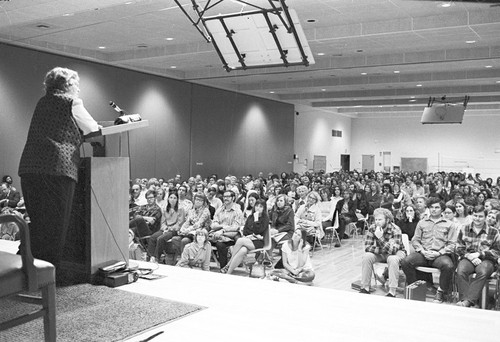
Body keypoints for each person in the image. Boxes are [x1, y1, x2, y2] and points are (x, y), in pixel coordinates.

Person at [17, 67, 100, 276]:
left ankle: (25, 270)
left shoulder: (42, 101)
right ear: (68, 85)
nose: (78, 89)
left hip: (29, 168)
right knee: (56, 225)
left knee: (37, 222)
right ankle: (48, 277)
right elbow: (92, 128)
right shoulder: (72, 102)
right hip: (57, 169)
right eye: (76, 84)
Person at [401, 198, 458, 303]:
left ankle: (441, 292)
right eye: (431, 207)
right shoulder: (422, 223)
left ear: (442, 210)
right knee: (405, 261)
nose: (434, 210)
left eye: (437, 207)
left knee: (448, 266)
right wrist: (422, 251)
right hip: (423, 253)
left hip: (440, 255)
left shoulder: (450, 224)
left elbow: (452, 244)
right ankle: (417, 286)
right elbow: (415, 240)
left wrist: (439, 253)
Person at [455, 205, 500, 307]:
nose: (477, 219)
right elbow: (458, 248)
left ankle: (467, 301)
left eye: (480, 216)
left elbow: (497, 251)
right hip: (467, 258)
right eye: (475, 216)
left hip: (486, 260)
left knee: (483, 271)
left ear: (485, 217)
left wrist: (480, 254)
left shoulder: (494, 231)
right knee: (461, 270)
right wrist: (470, 256)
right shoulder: (464, 228)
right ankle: (465, 300)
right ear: (472, 215)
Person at [359, 208, 406, 297]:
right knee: (366, 256)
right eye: (376, 219)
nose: (377, 222)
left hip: (397, 253)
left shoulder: (395, 229)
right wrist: (382, 250)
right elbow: (367, 247)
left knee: (392, 259)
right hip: (381, 252)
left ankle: (392, 291)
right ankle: (365, 287)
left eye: (380, 219)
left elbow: (393, 251)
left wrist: (380, 238)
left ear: (387, 220)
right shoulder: (372, 228)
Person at [222, 199, 269, 274]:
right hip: (248, 239)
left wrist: (256, 219)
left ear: (264, 208)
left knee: (240, 240)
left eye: (261, 206)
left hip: (258, 242)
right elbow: (245, 230)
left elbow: (258, 231)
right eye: (257, 206)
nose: (258, 208)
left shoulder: (265, 219)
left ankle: (228, 264)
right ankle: (228, 272)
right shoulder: (250, 217)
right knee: (242, 250)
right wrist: (252, 234)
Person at [171, 193, 211, 262]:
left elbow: (198, 224)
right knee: (175, 239)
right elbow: (187, 222)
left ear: (204, 202)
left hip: (200, 232)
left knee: (185, 241)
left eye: (200, 200)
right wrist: (182, 229)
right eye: (197, 199)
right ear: (194, 200)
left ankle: (184, 260)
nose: (198, 201)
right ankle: (185, 257)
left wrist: (186, 230)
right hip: (189, 231)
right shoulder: (191, 211)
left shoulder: (206, 211)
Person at [148, 190, 186, 263]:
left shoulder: (181, 209)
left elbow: (180, 224)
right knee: (153, 237)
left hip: (174, 230)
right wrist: (165, 228)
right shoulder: (165, 208)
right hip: (165, 228)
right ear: (168, 199)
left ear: (177, 199)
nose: (172, 199)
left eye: (174, 198)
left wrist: (170, 229)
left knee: (160, 238)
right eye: (171, 197)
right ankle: (150, 257)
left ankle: (156, 258)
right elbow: (162, 222)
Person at [210, 190, 244, 269]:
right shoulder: (219, 209)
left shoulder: (237, 211)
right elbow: (213, 224)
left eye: (228, 196)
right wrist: (222, 227)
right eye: (224, 196)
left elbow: (235, 227)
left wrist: (222, 230)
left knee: (220, 244)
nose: (226, 198)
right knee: (203, 238)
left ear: (233, 198)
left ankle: (224, 268)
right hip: (217, 233)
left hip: (231, 236)